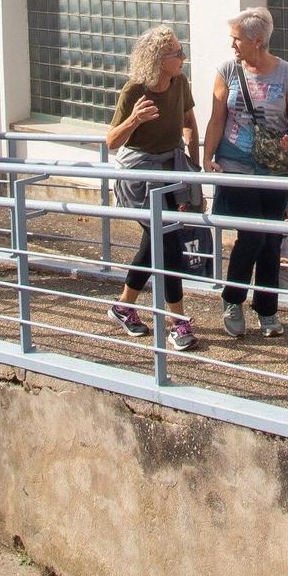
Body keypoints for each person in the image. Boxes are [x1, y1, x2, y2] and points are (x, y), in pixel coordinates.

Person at [202, 6, 288, 340]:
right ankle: (232, 300)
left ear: (257, 40)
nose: (232, 45)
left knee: (271, 238)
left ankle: (267, 309)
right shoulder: (228, 71)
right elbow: (217, 117)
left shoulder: (286, 73)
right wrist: (207, 157)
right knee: (253, 235)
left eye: (237, 39)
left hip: (274, 167)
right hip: (235, 163)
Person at [103, 26, 201, 352]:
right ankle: (178, 322)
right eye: (177, 53)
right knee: (168, 242)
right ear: (160, 59)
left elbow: (190, 126)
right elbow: (111, 142)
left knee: (158, 241)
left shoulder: (180, 83)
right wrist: (134, 120)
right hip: (140, 173)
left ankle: (124, 306)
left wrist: (195, 173)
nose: (183, 57)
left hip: (172, 170)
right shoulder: (135, 90)